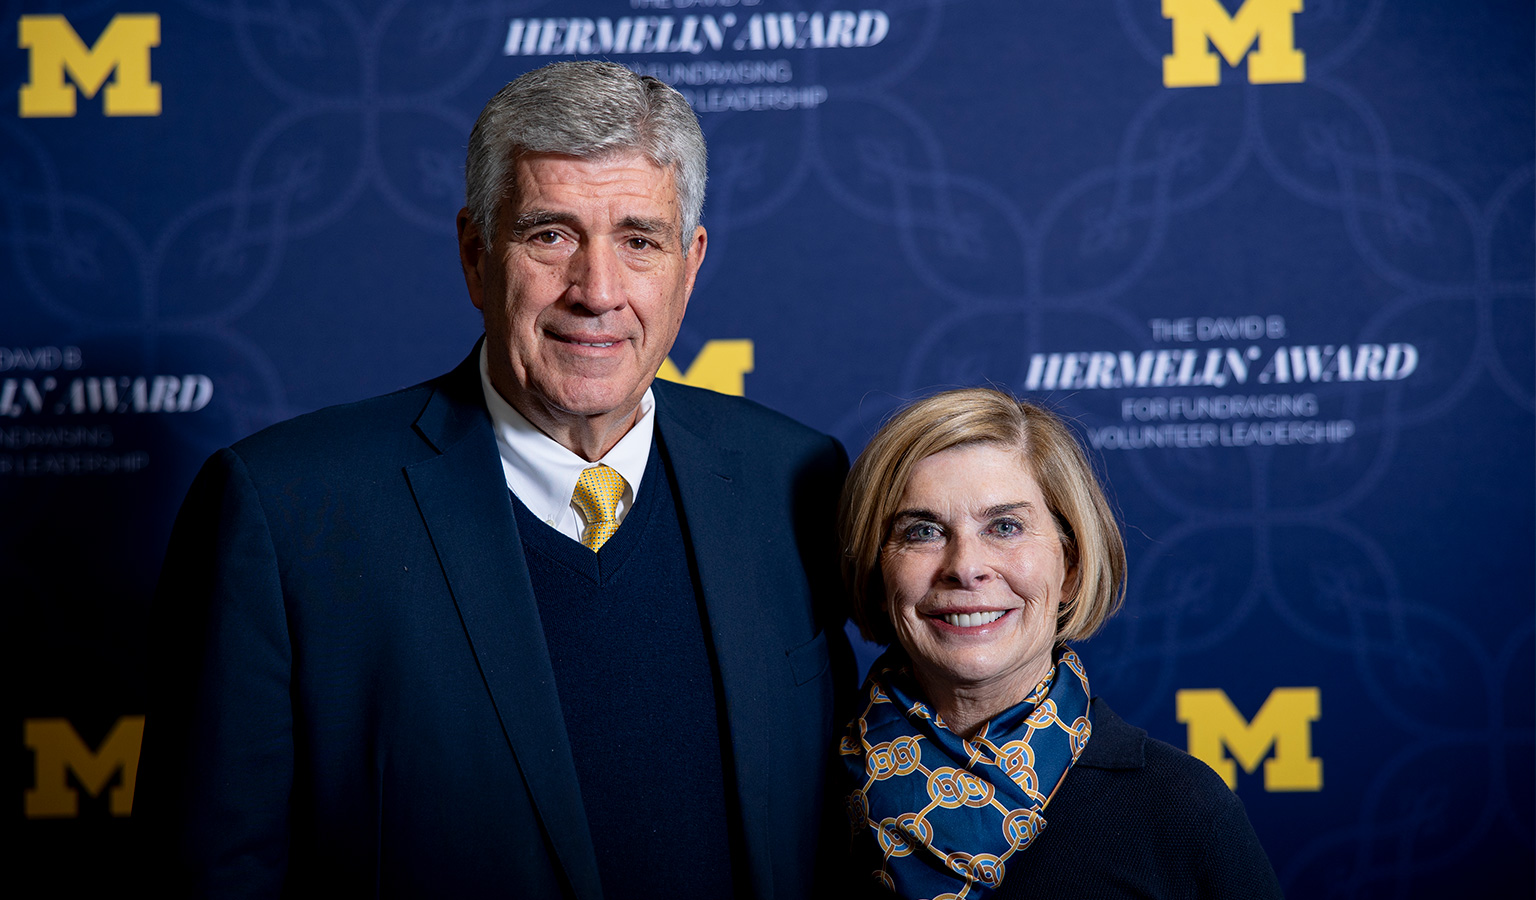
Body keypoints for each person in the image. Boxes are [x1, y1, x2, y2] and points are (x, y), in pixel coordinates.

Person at [136, 60, 850, 899]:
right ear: (477, 256)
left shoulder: (792, 478)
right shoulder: (286, 513)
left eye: (638, 240)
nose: (597, 292)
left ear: (689, 265)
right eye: (550, 235)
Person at [836, 388, 1282, 898]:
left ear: (1070, 567)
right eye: (923, 531)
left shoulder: (1181, 809)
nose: (964, 566)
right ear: (876, 569)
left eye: (1005, 526)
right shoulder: (789, 794)